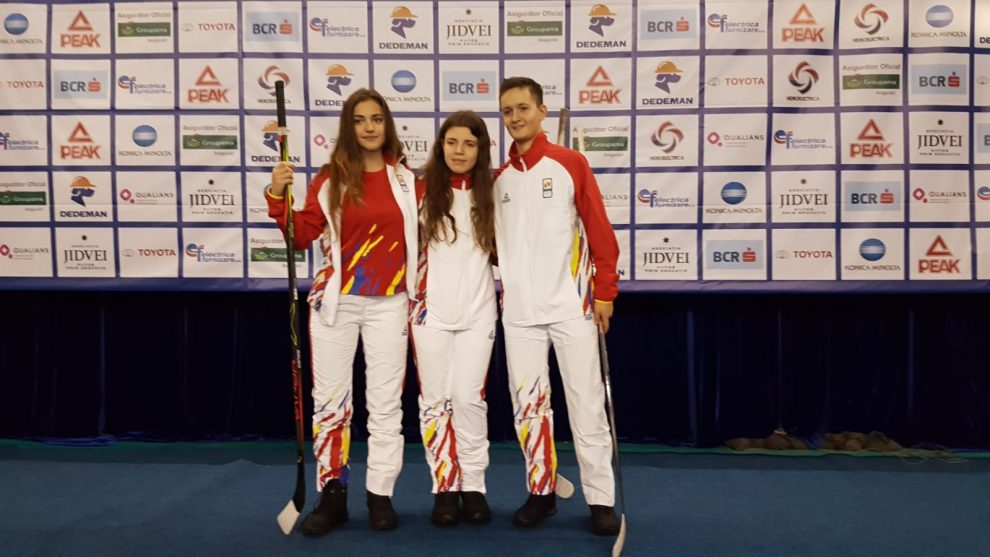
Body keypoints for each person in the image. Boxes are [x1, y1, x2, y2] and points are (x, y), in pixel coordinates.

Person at [266, 88, 421, 537]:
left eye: (376, 118)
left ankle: (380, 495)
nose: (369, 127)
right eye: (359, 119)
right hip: (337, 302)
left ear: (387, 125)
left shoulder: (406, 179)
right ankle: (332, 494)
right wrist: (277, 195)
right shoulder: (330, 178)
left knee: (386, 405)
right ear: (348, 127)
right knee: (331, 403)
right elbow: (300, 235)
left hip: (391, 302)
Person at [494, 76, 621, 536]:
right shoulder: (499, 180)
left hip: (571, 307)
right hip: (520, 314)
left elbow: (600, 230)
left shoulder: (570, 163)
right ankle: (541, 491)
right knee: (529, 408)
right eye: (507, 111)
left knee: (586, 405)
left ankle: (601, 499)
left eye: (523, 108)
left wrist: (605, 292)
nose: (515, 118)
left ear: (542, 112)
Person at [409, 111, 497, 527]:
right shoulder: (418, 188)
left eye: (469, 144)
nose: (459, 151)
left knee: (468, 399)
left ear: (481, 150)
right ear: (440, 145)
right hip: (430, 313)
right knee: (435, 401)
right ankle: (445, 486)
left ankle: (474, 486)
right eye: (452, 142)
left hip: (479, 313)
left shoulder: (494, 191)